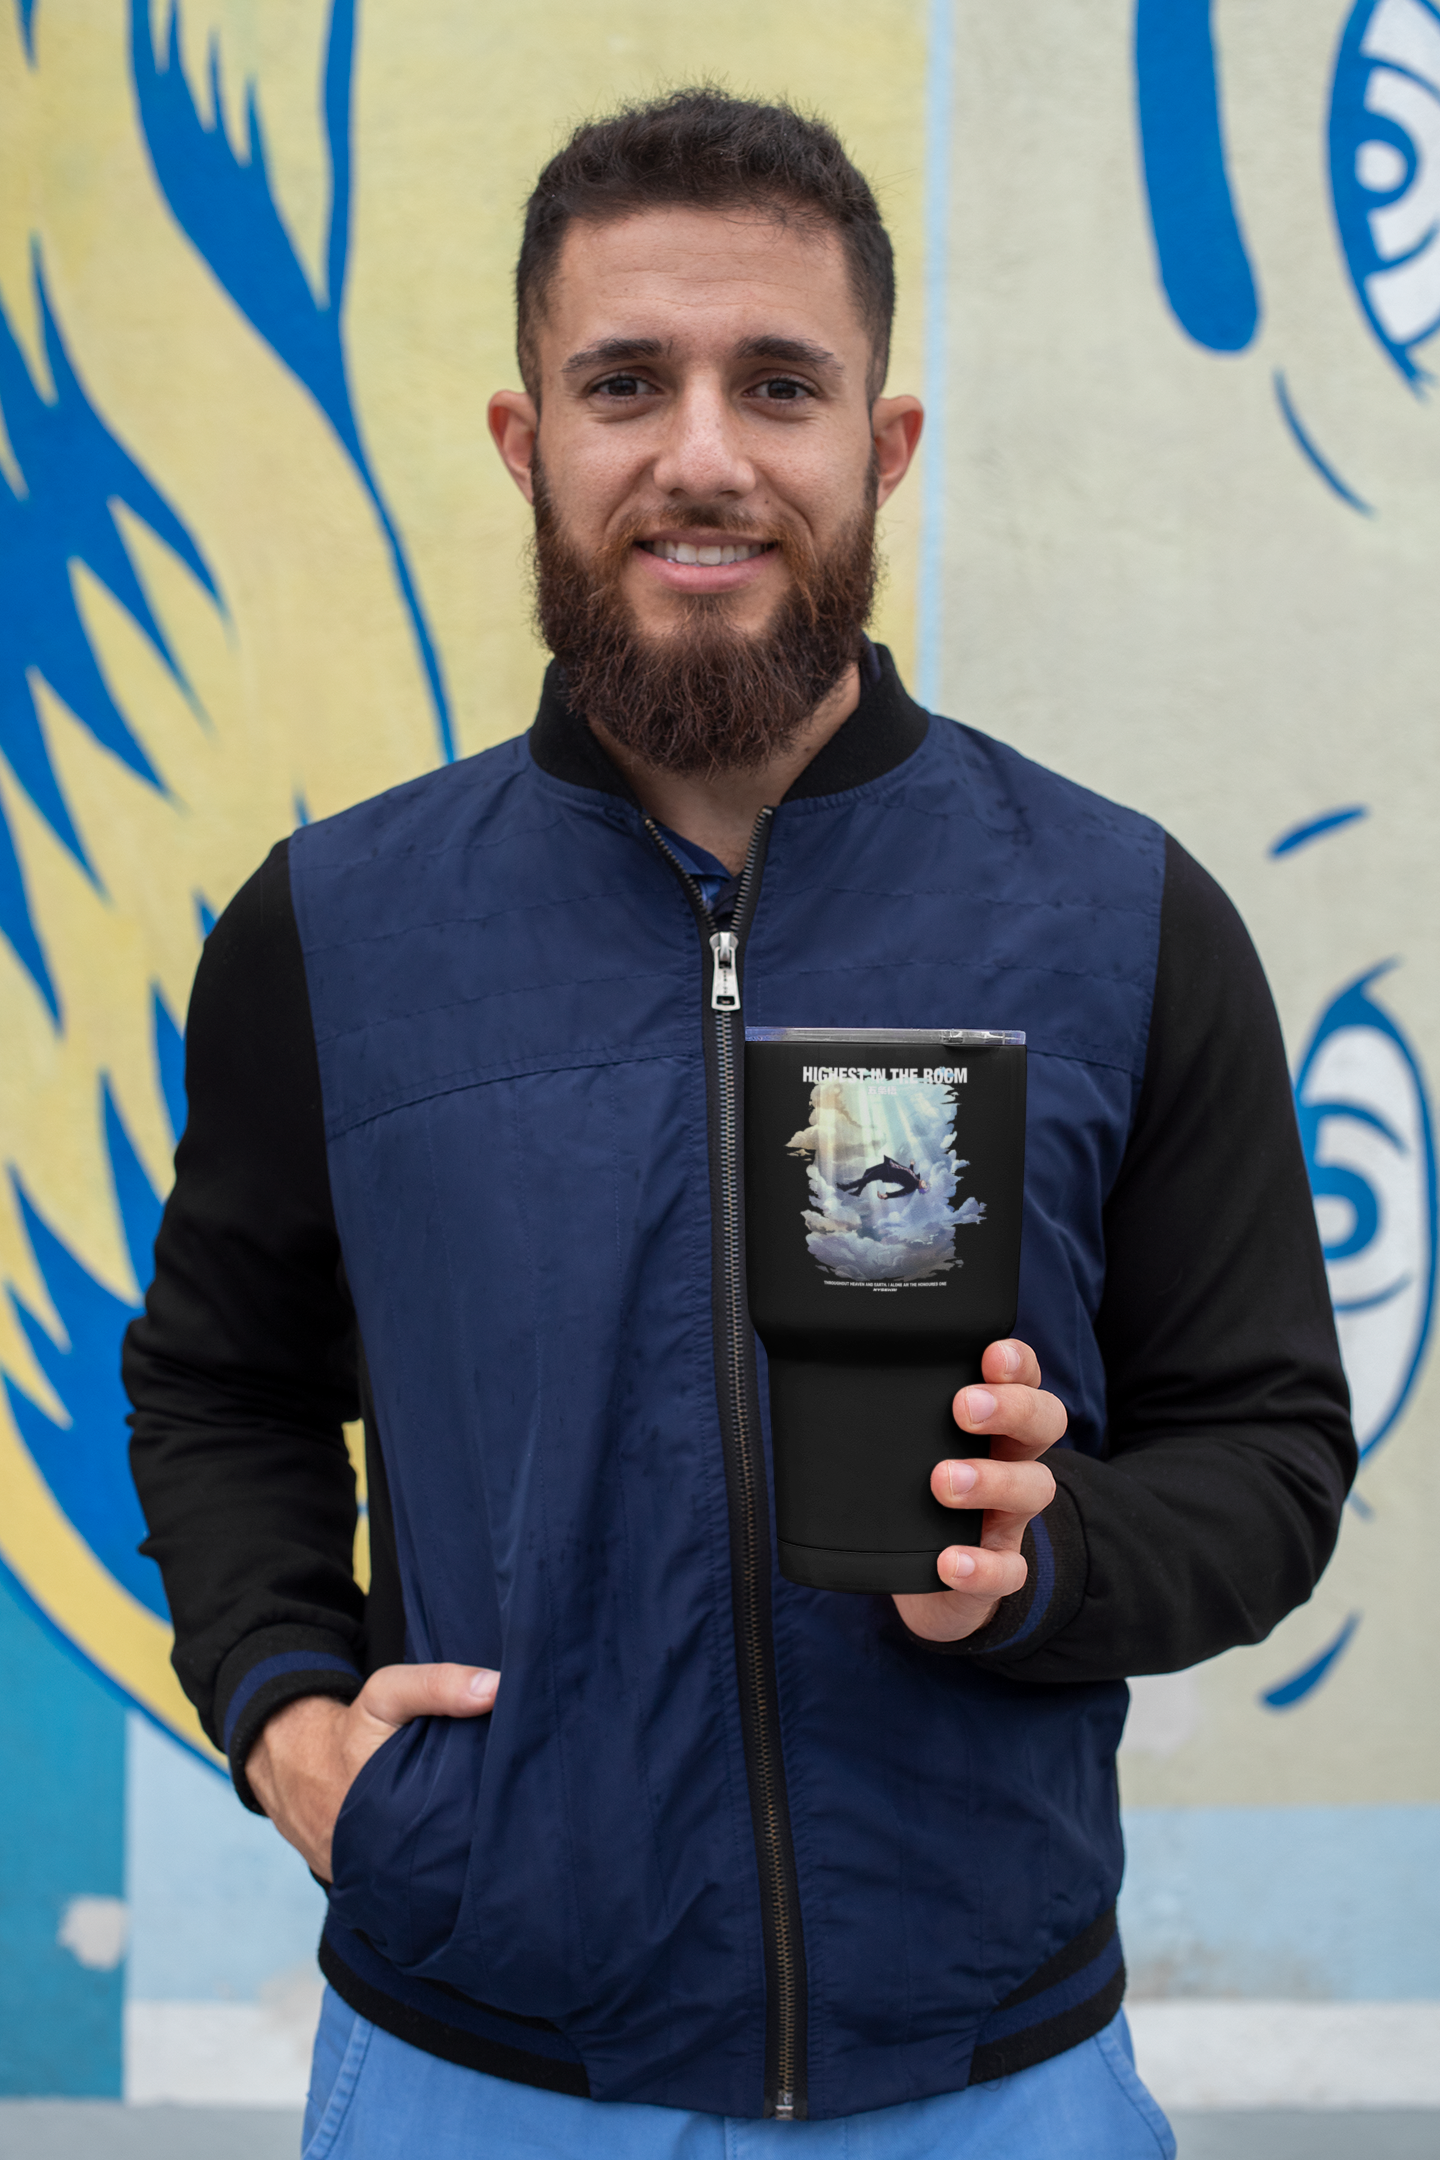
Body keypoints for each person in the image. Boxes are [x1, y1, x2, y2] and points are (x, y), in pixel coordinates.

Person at [124, 89, 1354, 2159]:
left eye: (779, 384)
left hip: (994, 2083)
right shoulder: (331, 934)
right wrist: (287, 1716)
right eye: (626, 384)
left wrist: (1046, 1562)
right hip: (475, 2075)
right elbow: (216, 1386)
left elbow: (1269, 1452)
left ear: (885, 445)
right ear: (527, 441)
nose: (703, 455)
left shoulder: (1120, 918)